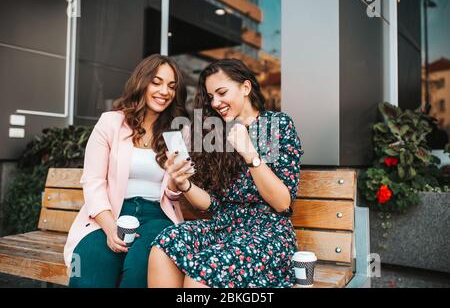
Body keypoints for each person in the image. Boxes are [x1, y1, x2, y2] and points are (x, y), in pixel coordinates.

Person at [148, 58, 304, 288]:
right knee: (164, 244)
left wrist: (250, 154)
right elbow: (213, 205)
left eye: (221, 92)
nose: (216, 102)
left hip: (268, 234)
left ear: (246, 87)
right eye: (211, 97)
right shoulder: (218, 134)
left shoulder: (274, 125)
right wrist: (184, 185)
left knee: (203, 273)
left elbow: (282, 203)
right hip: (225, 227)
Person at [64, 54, 191, 287]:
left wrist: (176, 181)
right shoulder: (110, 123)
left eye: (171, 86)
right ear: (142, 82)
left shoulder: (177, 131)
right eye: (157, 82)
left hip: (158, 217)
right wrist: (110, 227)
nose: (165, 91)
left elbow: (174, 195)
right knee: (89, 272)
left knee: (138, 274)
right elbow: (93, 181)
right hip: (110, 213)